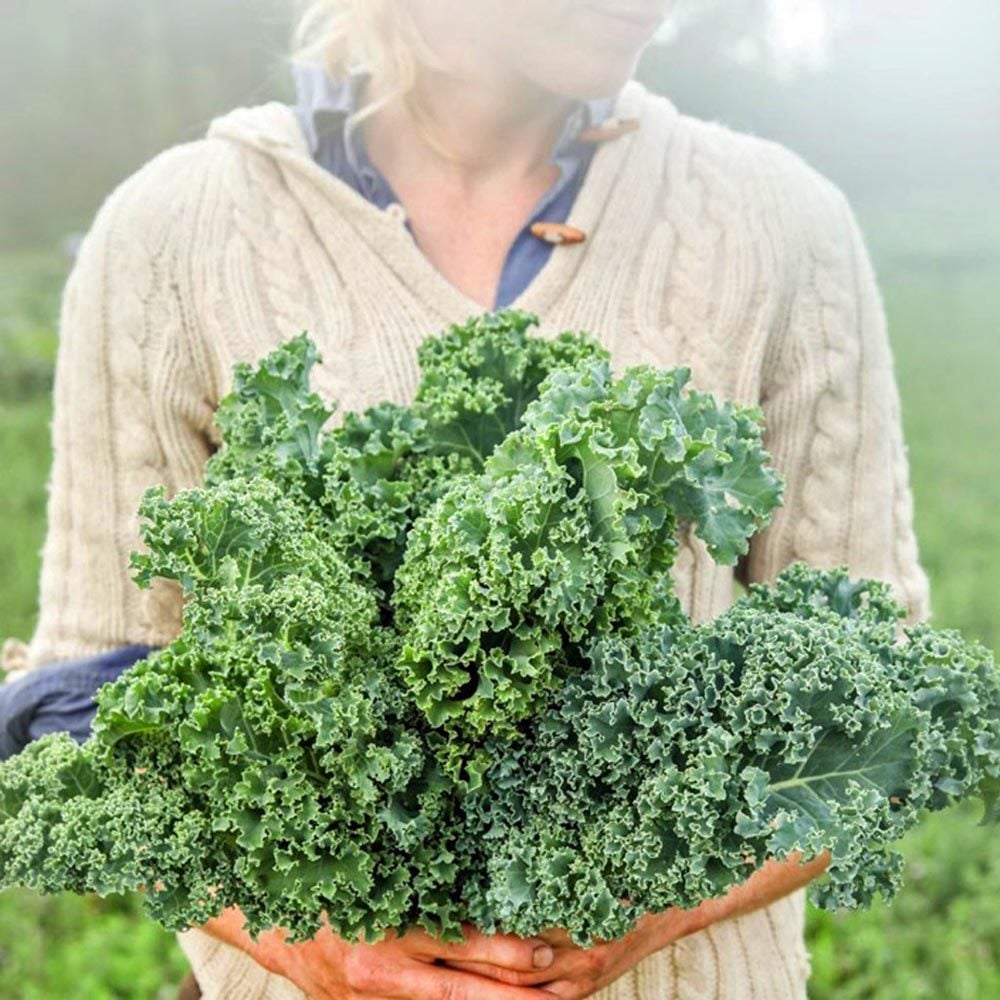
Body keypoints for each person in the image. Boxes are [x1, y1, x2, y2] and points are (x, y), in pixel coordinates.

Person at [1, 0, 930, 997]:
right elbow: (89, 707)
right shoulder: (172, 234)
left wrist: (653, 901)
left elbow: (882, 701)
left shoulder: (777, 225)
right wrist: (312, 941)